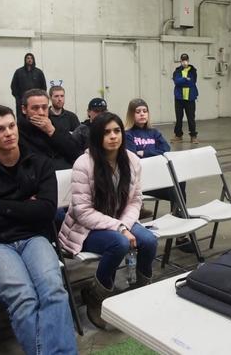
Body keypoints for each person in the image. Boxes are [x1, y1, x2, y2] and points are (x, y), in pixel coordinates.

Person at [0, 105, 76, 355]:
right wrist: (25, 210)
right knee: (24, 298)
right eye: (0, 129)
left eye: (11, 126)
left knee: (54, 291)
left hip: (34, 238)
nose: (9, 133)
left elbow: (46, 212)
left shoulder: (40, 163)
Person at [58, 112, 157, 330]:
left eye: (117, 131)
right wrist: (121, 228)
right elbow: (82, 212)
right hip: (85, 228)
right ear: (96, 137)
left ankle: (141, 293)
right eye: (106, 132)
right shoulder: (83, 164)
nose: (113, 136)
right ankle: (96, 295)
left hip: (120, 222)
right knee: (119, 243)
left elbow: (135, 201)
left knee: (149, 241)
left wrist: (124, 225)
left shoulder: (132, 160)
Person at [124, 98, 181, 222]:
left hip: (158, 177)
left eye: (145, 111)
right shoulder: (128, 135)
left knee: (180, 182)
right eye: (138, 111)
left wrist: (144, 152)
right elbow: (133, 156)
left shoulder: (154, 132)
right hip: (142, 183)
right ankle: (180, 220)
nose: (142, 114)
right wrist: (155, 153)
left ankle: (179, 219)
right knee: (177, 193)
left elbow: (165, 148)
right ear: (131, 114)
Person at [17, 89, 83, 170]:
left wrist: (52, 132)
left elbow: (76, 152)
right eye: (35, 108)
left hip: (66, 172)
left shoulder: (54, 124)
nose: (41, 112)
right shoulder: (18, 132)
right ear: (24, 109)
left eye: (44, 107)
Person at [171, 53, 199, 144]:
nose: (184, 62)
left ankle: (193, 136)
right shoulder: (177, 71)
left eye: (186, 60)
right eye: (183, 60)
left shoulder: (193, 71)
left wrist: (183, 80)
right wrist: (185, 79)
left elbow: (192, 82)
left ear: (188, 60)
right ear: (180, 61)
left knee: (191, 117)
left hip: (190, 98)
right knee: (179, 118)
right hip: (179, 98)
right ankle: (178, 136)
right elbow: (176, 82)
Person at [10, 53, 46, 119]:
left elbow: (43, 87)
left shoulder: (39, 72)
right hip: (21, 101)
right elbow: (13, 86)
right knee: (22, 118)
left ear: (33, 60)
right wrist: (18, 98)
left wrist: (40, 99)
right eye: (28, 58)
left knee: (35, 117)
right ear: (25, 60)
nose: (29, 60)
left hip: (36, 101)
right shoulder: (19, 72)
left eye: (31, 58)